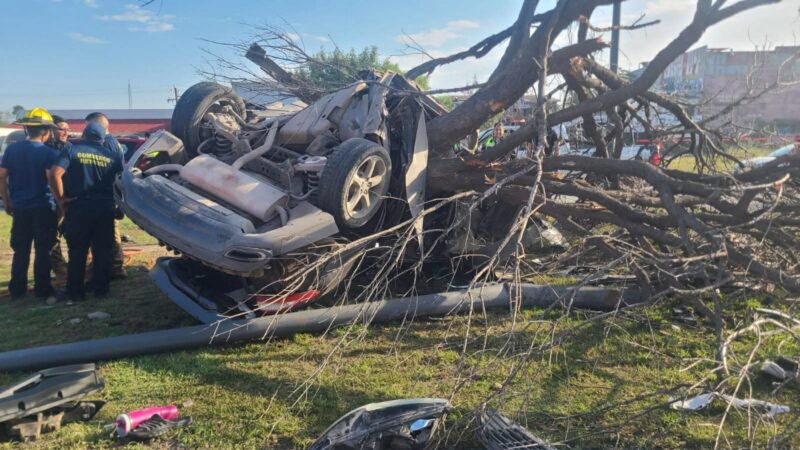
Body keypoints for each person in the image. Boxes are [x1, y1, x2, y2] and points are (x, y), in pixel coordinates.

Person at [50, 122, 122, 301]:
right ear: (102, 139)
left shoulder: (72, 150)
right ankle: (101, 289)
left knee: (77, 251)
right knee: (102, 251)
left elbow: (55, 174)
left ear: (84, 135)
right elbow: (120, 183)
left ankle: (75, 292)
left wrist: (61, 199)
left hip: (78, 207)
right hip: (105, 209)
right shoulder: (112, 156)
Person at [0, 108, 60, 302]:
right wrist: (61, 201)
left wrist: (7, 200)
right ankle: (43, 289)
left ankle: (17, 290)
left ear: (26, 129)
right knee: (44, 250)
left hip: (20, 207)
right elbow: (52, 177)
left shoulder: (12, 150)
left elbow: (2, 176)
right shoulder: (48, 153)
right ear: (45, 131)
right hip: (43, 207)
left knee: (21, 250)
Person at [84, 112, 127, 278]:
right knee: (110, 233)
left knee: (110, 234)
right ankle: (114, 265)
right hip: (108, 196)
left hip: (106, 196)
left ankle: (115, 267)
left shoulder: (107, 144)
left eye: (88, 126)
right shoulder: (113, 143)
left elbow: (111, 173)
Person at [47, 115, 71, 280]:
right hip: (52, 200)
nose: (65, 132)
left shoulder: (69, 147)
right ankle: (60, 271)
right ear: (51, 129)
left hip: (70, 198)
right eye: (62, 129)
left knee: (74, 233)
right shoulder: (46, 149)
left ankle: (76, 266)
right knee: (53, 236)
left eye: (67, 129)